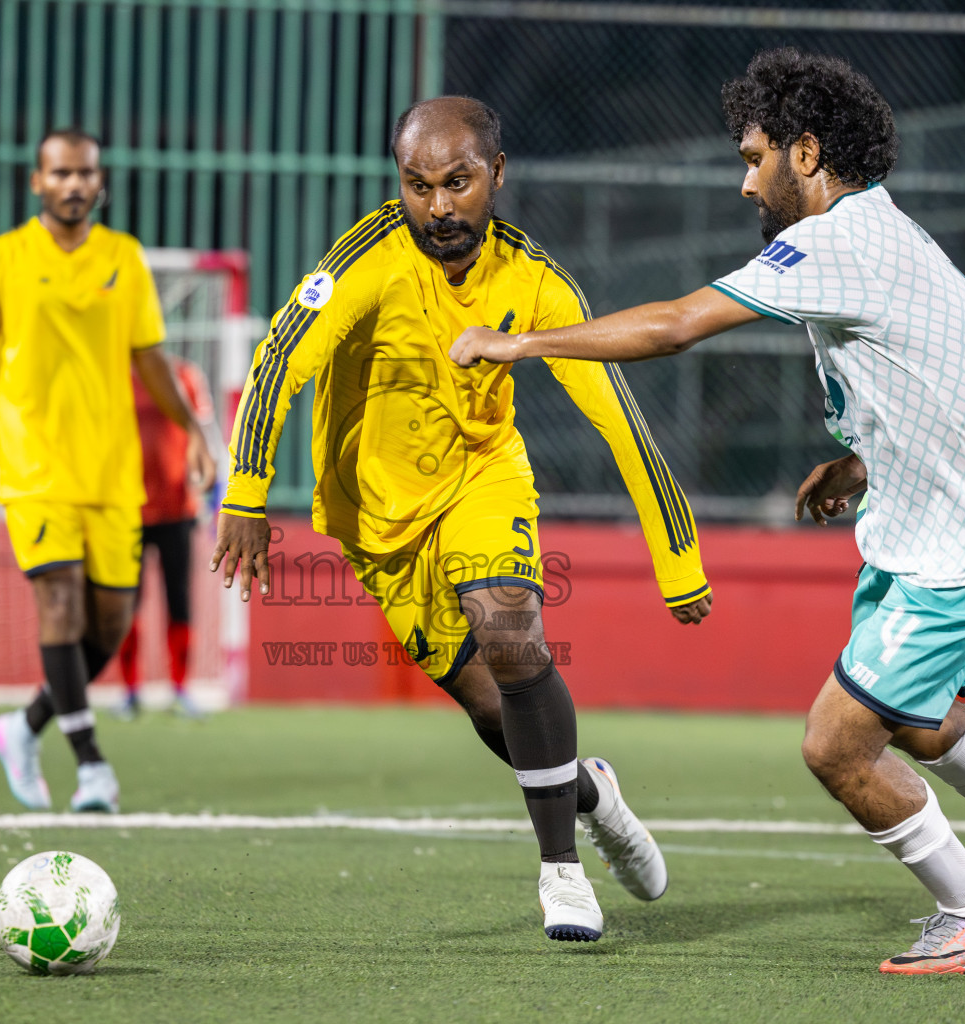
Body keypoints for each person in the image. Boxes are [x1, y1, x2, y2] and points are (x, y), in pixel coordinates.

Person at [450, 49, 965, 974]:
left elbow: (676, 325)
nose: (745, 182)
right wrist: (860, 460)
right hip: (936, 523)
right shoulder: (878, 232)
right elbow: (940, 374)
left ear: (805, 153)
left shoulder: (839, 242)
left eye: (753, 156)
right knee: (917, 717)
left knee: (837, 743)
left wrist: (519, 343)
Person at [210, 96, 713, 944]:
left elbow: (618, 416)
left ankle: (561, 873)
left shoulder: (535, 279)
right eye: (418, 186)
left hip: (484, 475)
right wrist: (245, 495)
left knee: (511, 636)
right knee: (490, 707)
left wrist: (679, 559)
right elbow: (279, 360)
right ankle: (594, 795)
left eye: (458, 182)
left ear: (496, 175)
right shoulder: (366, 259)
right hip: (378, 522)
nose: (439, 206)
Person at [0, 128, 214, 813]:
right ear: (38, 182)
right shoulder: (2, 259)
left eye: (85, 172)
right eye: (60, 173)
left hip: (113, 475)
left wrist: (195, 431)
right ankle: (92, 767)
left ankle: (23, 729)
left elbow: (150, 357)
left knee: (109, 627)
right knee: (58, 601)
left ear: (100, 181)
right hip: (35, 469)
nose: (74, 184)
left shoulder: (124, 257)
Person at [113, 354, 215, 718]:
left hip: (177, 508)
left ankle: (181, 688)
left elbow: (204, 432)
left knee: (179, 600)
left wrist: (212, 484)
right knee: (127, 602)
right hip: (128, 508)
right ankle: (130, 691)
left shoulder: (185, 376)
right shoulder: (114, 377)